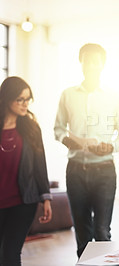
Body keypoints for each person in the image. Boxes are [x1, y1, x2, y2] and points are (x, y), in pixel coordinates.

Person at [54, 43, 119, 257]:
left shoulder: (115, 96)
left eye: (96, 61)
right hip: (75, 169)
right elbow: (58, 128)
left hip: (104, 170)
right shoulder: (67, 95)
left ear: (103, 64)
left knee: (102, 231)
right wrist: (67, 140)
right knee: (82, 232)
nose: (91, 65)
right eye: (87, 60)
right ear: (81, 62)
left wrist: (111, 146)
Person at [0, 76, 52, 266]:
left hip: (23, 202)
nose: (25, 104)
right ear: (6, 98)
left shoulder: (31, 129)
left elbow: (40, 164)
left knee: (10, 254)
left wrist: (46, 197)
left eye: (28, 99)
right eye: (20, 99)